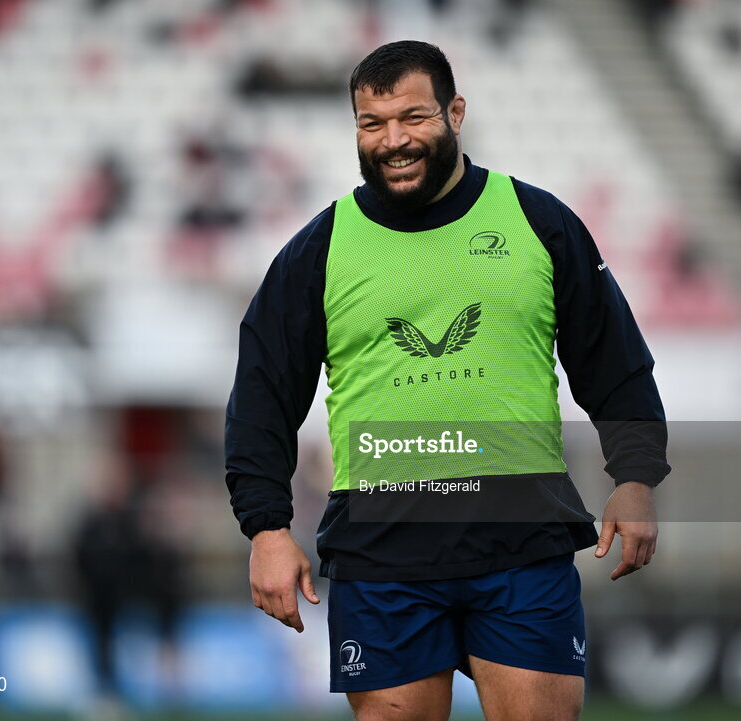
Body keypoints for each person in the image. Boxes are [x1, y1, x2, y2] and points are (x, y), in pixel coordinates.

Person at [225, 41, 670, 721]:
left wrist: (634, 480)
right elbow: (262, 393)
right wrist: (266, 527)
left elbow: (615, 361)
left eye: (413, 117)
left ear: (455, 112)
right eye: (371, 124)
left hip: (521, 544)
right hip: (382, 558)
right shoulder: (320, 248)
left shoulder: (537, 222)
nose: (393, 140)